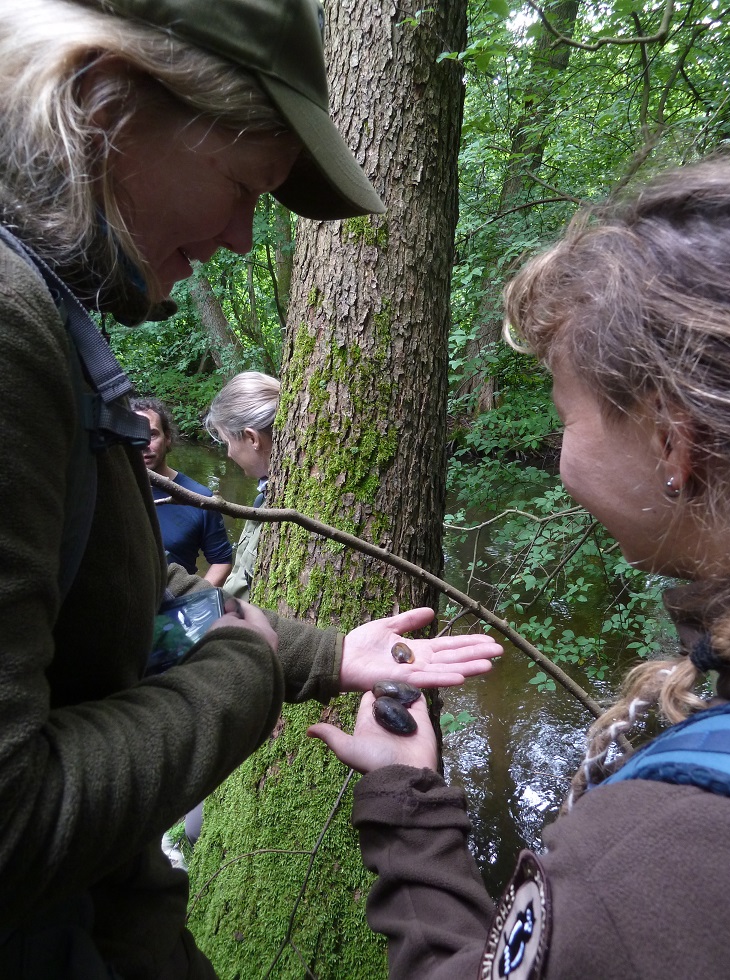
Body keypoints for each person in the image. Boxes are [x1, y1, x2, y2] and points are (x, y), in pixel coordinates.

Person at [0, 1, 503, 978]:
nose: (240, 236)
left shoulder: (44, 309)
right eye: (241, 185)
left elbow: (103, 601)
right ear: (103, 99)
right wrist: (248, 671)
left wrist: (322, 653)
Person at [309, 158, 730, 979]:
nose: (561, 449)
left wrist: (404, 804)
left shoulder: (650, 861)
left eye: (562, 410)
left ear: (670, 440)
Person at [132, 396, 233, 585]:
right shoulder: (110, 494)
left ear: (168, 438)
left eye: (152, 434)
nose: (144, 444)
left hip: (175, 598)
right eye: (134, 435)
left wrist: (196, 598)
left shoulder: (199, 498)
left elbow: (221, 561)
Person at [204, 371, 279, 600]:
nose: (228, 453)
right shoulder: (264, 497)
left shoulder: (278, 507)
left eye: (227, 442)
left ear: (252, 438)